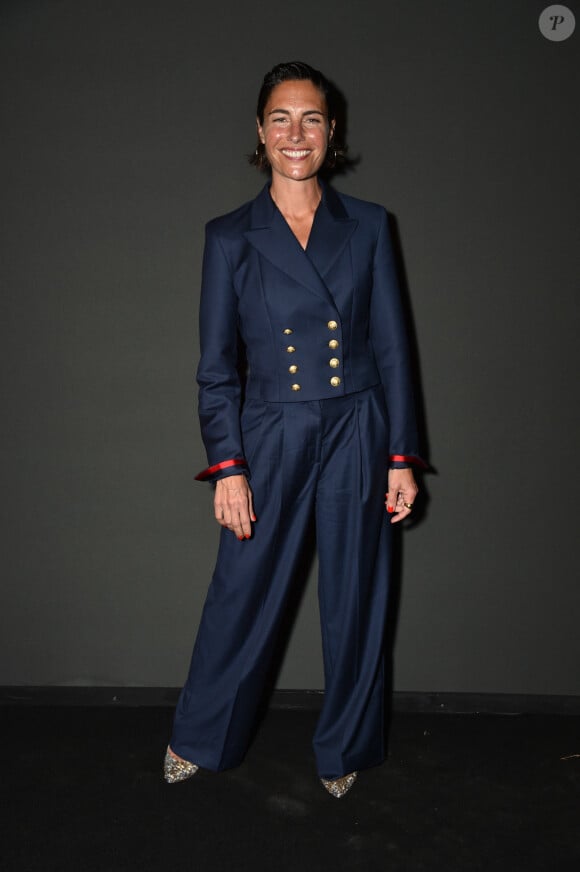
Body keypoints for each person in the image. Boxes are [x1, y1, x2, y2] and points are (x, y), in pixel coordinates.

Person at [164, 61, 425, 798]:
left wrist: (401, 455)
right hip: (271, 430)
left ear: (331, 131)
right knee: (240, 593)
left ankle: (344, 746)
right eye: (281, 118)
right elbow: (217, 367)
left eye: (311, 118)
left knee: (357, 596)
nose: (296, 133)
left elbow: (394, 347)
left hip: (358, 427)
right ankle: (201, 735)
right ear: (259, 131)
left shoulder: (369, 225)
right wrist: (229, 466)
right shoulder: (229, 237)